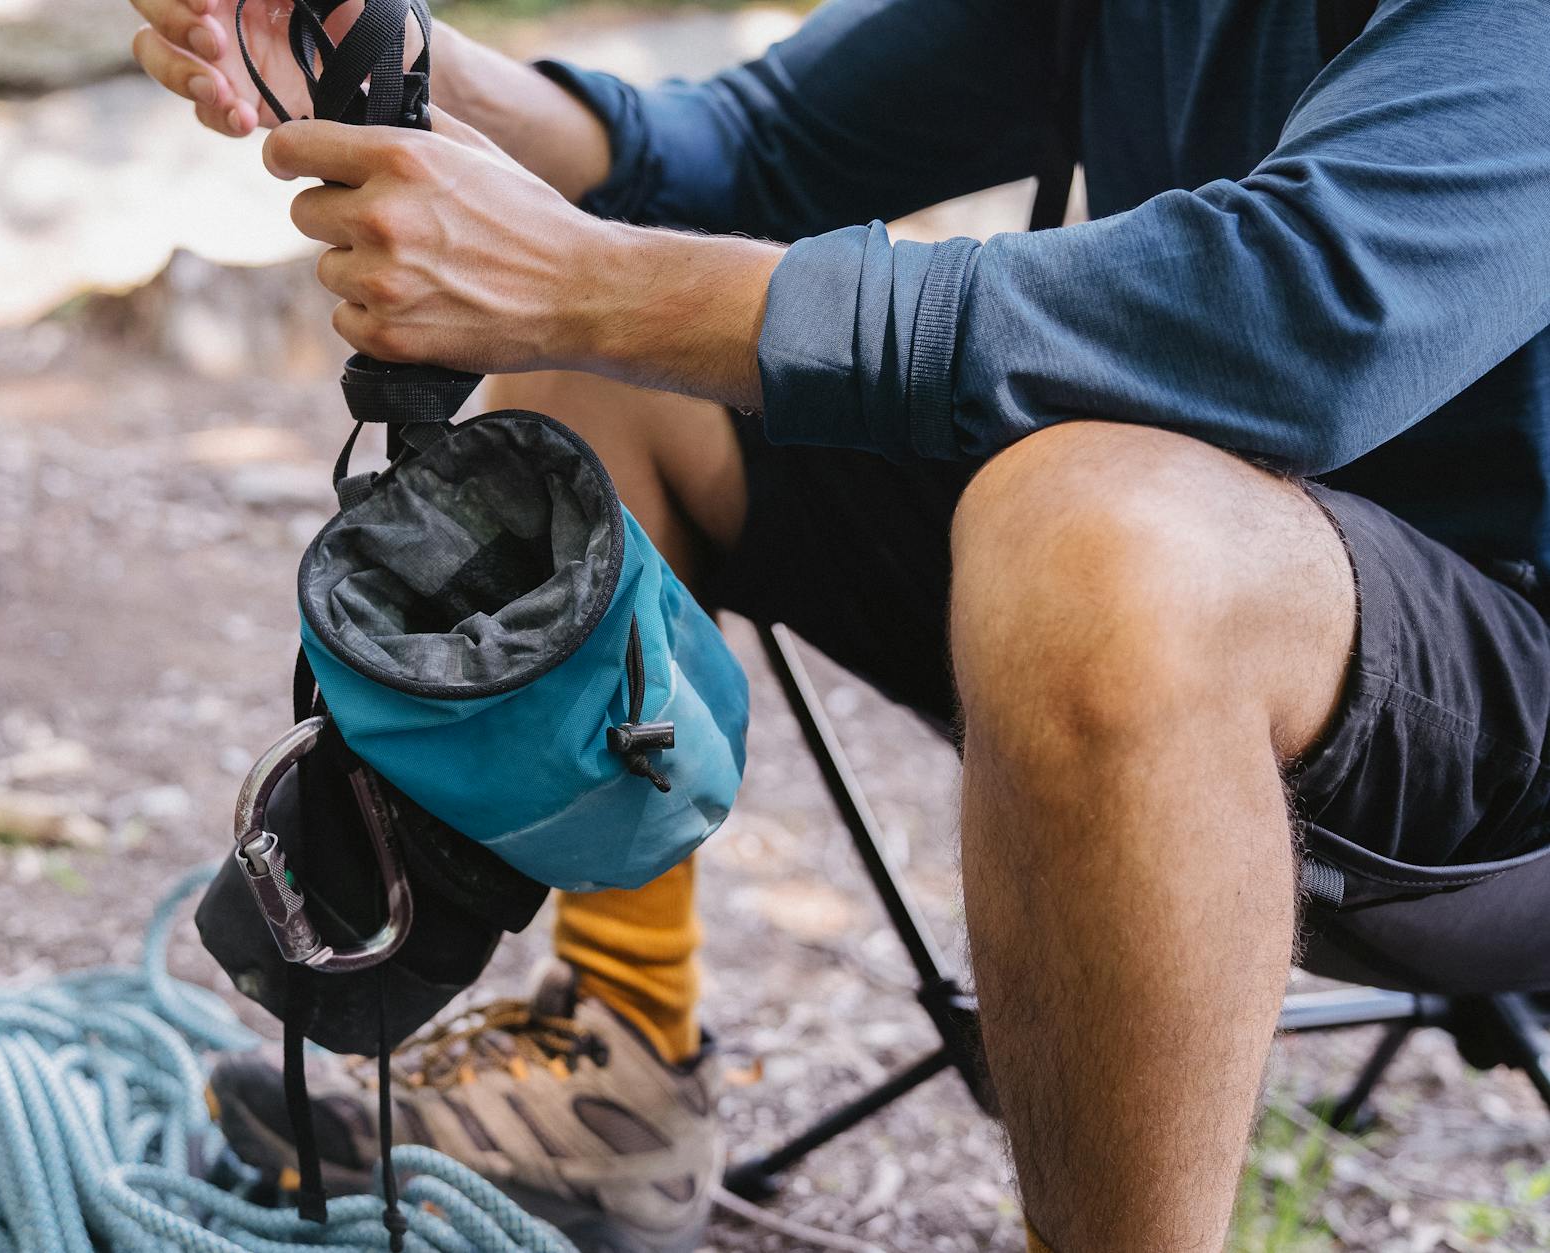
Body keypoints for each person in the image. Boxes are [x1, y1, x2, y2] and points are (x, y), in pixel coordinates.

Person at [129, 0, 1550, 1248]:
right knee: (621, 385)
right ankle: (621, 1053)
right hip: (1201, 556)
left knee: (1093, 535)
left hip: (1503, 713)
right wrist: (397, 46)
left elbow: (1295, 316)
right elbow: (758, 149)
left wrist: (590, 278)